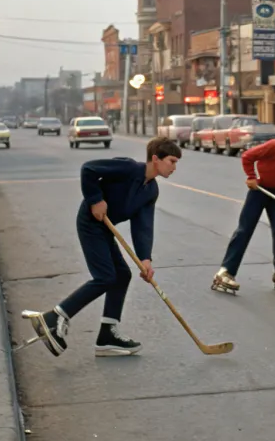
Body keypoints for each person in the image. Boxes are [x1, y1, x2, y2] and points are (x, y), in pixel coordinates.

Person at [23, 137, 181, 358]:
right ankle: (54, 317)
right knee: (106, 277)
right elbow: (89, 169)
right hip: (90, 223)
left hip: (105, 228)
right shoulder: (128, 168)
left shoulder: (150, 190)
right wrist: (95, 199)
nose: (174, 167)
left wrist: (145, 259)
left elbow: (142, 226)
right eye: (172, 161)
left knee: (122, 275)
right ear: (156, 159)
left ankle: (107, 335)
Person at [212, 122, 275, 293]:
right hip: (259, 190)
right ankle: (226, 271)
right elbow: (248, 156)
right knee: (244, 230)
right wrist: (251, 176)